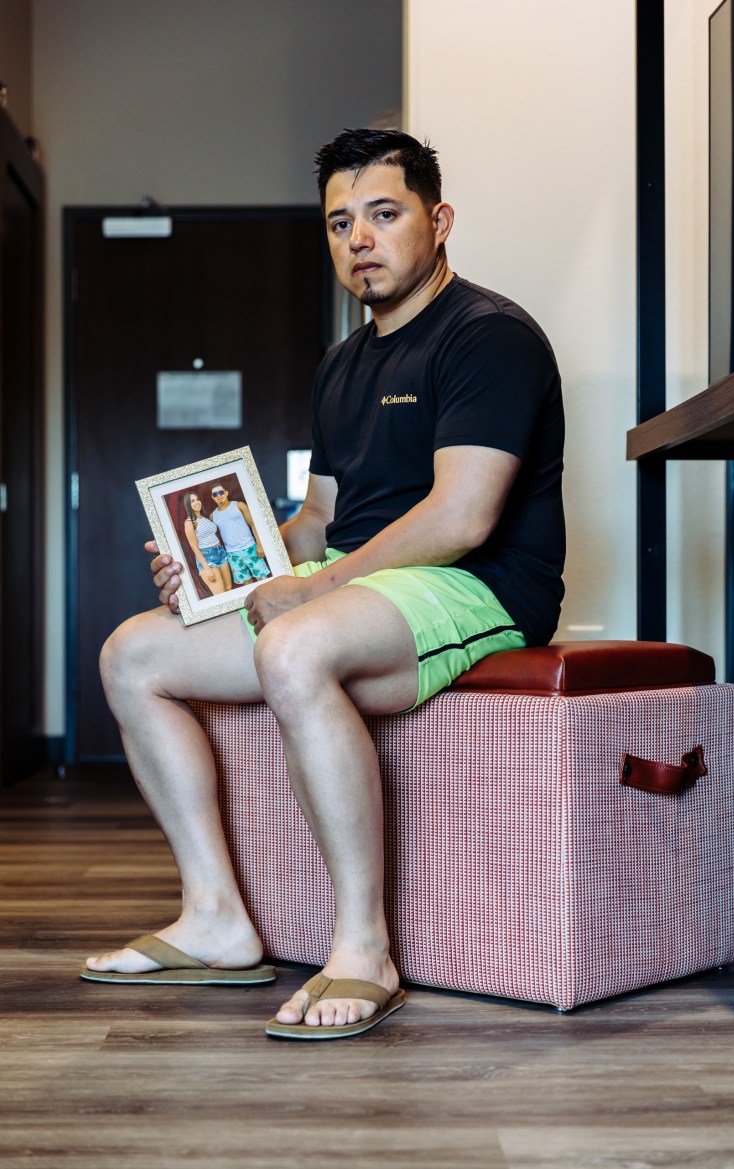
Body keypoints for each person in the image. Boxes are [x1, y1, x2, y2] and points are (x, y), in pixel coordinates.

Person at [81, 128, 565, 1041]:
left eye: (383, 215)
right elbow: (317, 519)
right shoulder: (342, 363)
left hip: (481, 585)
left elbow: (462, 516)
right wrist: (220, 572)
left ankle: (363, 948)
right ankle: (218, 918)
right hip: (368, 585)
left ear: (438, 219)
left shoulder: (488, 336)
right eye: (341, 222)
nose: (360, 240)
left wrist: (314, 589)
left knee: (295, 646)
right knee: (133, 653)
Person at [209, 484, 271, 586]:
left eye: (221, 492)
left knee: (263, 579)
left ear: (226, 493)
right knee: (247, 584)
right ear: (213, 497)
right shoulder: (213, 516)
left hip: (250, 548)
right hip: (232, 554)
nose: (219, 496)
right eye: (215, 494)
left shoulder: (239, 505)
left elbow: (253, 524)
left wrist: (259, 545)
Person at [182, 492, 233, 596]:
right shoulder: (189, 522)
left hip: (220, 553)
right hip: (207, 557)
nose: (196, 502)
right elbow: (194, 546)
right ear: (188, 505)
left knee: (229, 589)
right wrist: (207, 568)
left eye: (197, 499)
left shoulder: (205, 518)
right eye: (192, 501)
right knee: (220, 594)